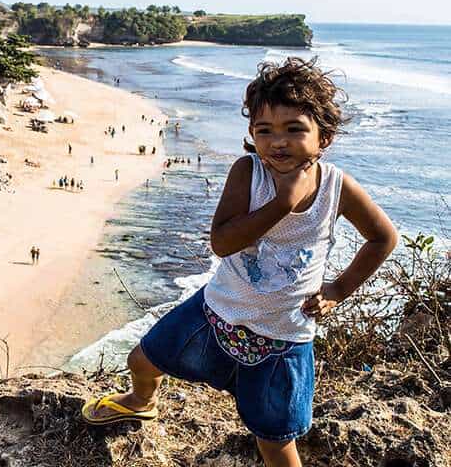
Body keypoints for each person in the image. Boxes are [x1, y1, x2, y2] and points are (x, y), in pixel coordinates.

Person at [81, 57, 398, 467]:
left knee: (275, 440)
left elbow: (382, 238)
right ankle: (141, 401)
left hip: (283, 336)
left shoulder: (338, 187)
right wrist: (282, 202)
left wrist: (338, 289)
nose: (277, 142)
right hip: (217, 312)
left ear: (325, 137)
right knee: (141, 360)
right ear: (251, 134)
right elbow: (222, 242)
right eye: (264, 131)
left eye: (294, 129)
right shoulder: (248, 173)